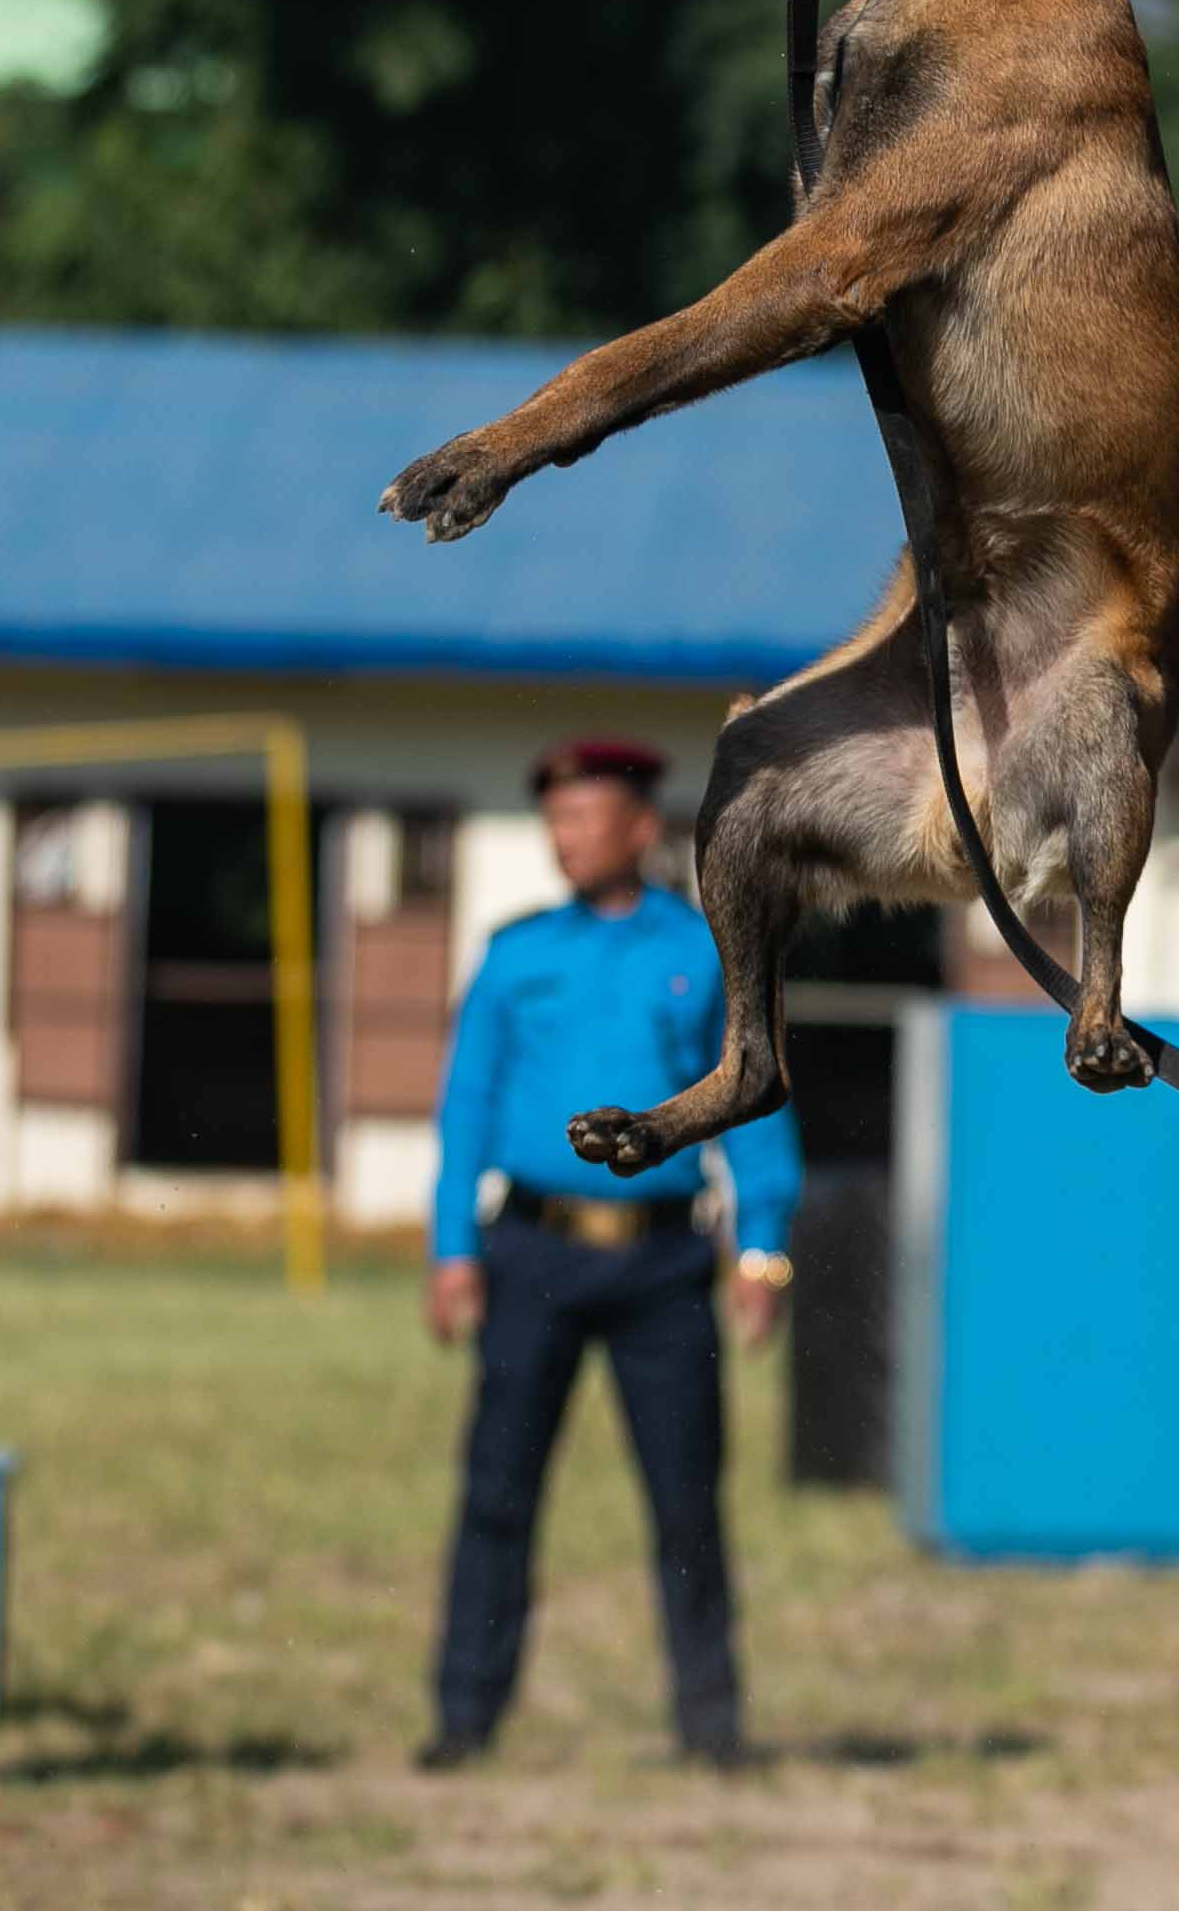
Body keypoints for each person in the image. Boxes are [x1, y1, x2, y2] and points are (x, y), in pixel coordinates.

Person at [419, 738, 799, 1773]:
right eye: (552, 821)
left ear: (640, 827)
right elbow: (465, 1109)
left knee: (684, 1500)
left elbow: (751, 1102)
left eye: (582, 818)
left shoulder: (705, 952)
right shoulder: (514, 955)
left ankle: (711, 1726)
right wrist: (449, 1247)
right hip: (529, 1256)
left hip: (661, 1268)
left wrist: (761, 1250)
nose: (563, 838)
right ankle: (463, 1716)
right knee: (497, 1493)